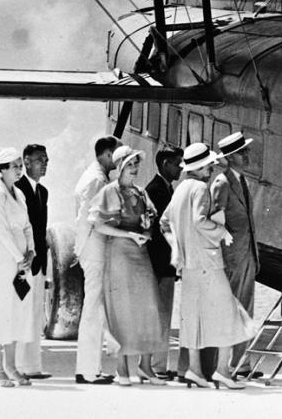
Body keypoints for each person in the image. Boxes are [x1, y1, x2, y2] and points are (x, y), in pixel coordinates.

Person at [161, 142, 254, 390]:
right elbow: (200, 221)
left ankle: (194, 369)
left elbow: (164, 223)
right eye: (209, 164)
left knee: (192, 318)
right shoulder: (201, 188)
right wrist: (221, 232)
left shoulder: (180, 189)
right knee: (228, 314)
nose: (212, 168)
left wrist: (178, 249)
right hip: (208, 263)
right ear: (200, 166)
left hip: (189, 265)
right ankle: (223, 371)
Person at [89, 146, 165, 386]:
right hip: (120, 255)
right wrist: (128, 236)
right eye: (130, 164)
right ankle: (122, 369)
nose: (134, 169)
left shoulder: (141, 192)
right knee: (122, 310)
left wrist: (146, 230)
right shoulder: (110, 192)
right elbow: (98, 224)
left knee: (149, 306)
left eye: (136, 164)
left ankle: (145, 366)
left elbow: (152, 219)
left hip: (140, 255)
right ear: (120, 165)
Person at [0, 147, 35, 388]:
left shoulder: (20, 194)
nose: (19, 169)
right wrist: (18, 256)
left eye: (19, 165)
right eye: (14, 166)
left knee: (16, 313)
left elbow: (27, 225)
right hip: (4, 262)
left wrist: (31, 251)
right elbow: (0, 231)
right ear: (2, 169)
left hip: (21, 262)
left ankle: (12, 366)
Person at [210, 131, 260, 377]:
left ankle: (242, 362)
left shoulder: (241, 180)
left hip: (247, 253)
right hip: (232, 256)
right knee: (234, 307)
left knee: (245, 307)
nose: (246, 155)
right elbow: (214, 219)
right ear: (230, 157)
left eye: (246, 150)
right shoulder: (222, 183)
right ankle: (231, 363)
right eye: (242, 152)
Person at [73, 134, 120, 384]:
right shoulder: (96, 181)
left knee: (95, 309)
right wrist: (80, 250)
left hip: (92, 249)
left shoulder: (95, 177)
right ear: (107, 154)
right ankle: (88, 371)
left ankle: (91, 367)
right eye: (117, 154)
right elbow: (85, 219)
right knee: (92, 310)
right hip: (94, 249)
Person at [143, 146, 182, 380]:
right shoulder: (156, 190)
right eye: (177, 164)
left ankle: (157, 363)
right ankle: (156, 365)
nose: (181, 168)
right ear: (165, 163)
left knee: (162, 315)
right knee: (160, 314)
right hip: (159, 265)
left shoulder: (165, 189)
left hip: (163, 265)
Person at [14, 143, 50, 379]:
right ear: (26, 161)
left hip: (40, 263)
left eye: (46, 160)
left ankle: (33, 366)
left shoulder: (43, 192)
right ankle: (18, 365)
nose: (45, 163)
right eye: (40, 159)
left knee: (36, 315)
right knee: (21, 314)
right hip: (24, 261)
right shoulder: (17, 189)